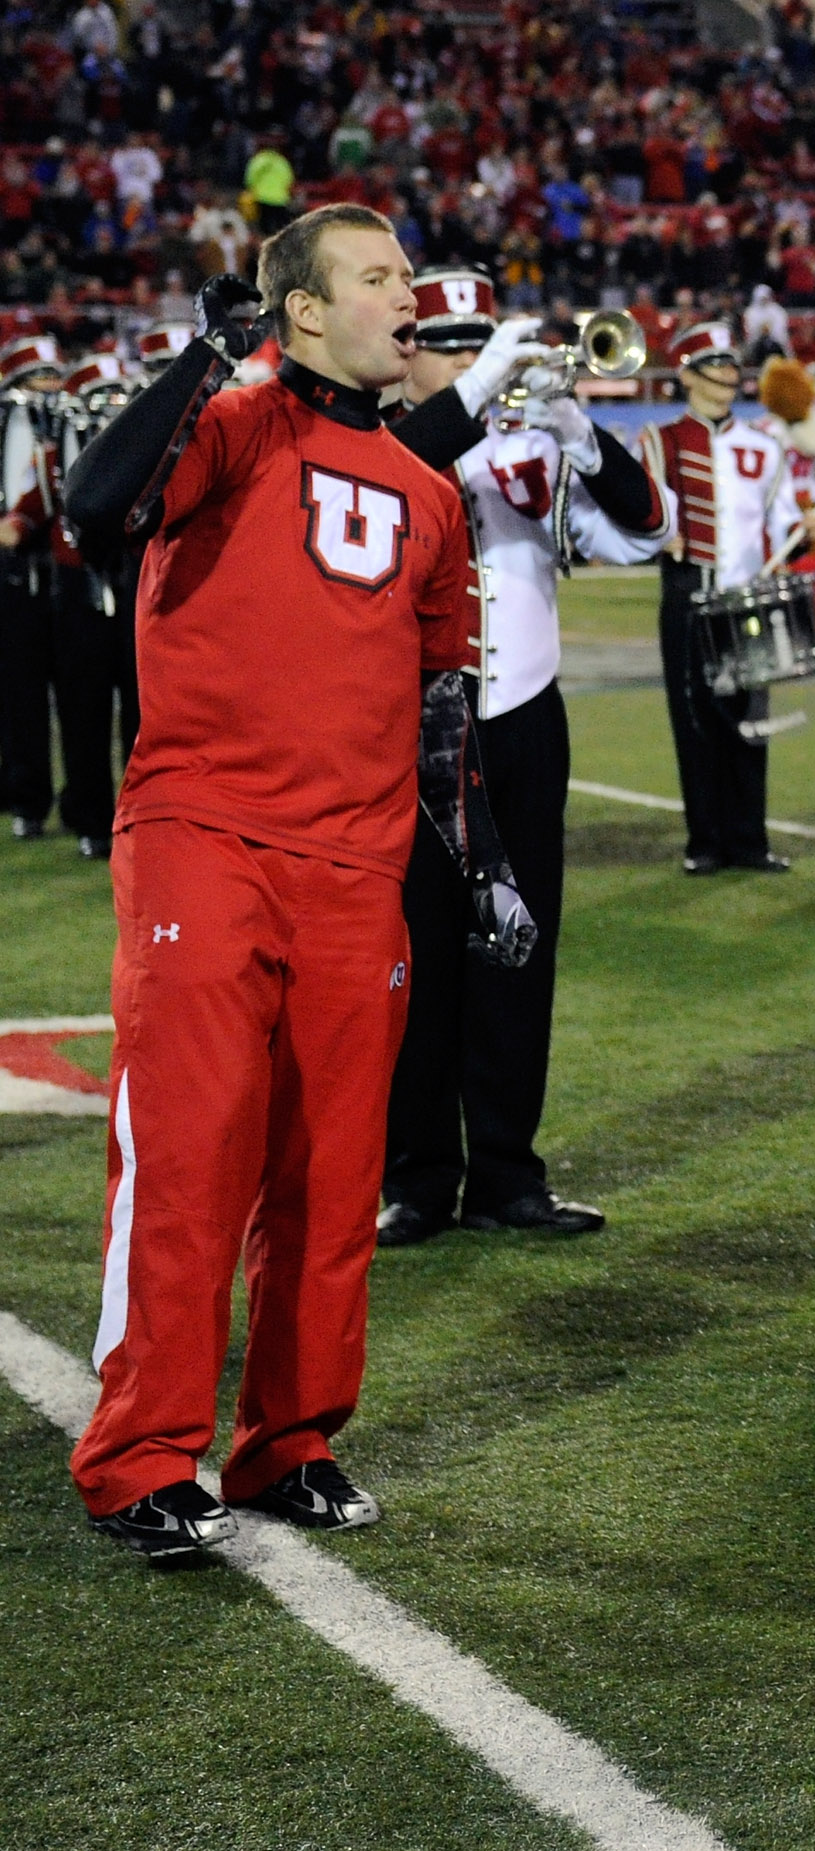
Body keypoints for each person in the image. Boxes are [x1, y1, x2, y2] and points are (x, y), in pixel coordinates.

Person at [60, 205, 535, 1561]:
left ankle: (293, 1439)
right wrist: (207, 358)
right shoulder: (232, 417)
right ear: (307, 309)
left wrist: (481, 862)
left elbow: (443, 700)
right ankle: (140, 1455)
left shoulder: (432, 490)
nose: (410, 294)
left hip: (359, 867)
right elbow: (97, 514)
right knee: (189, 1158)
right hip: (205, 836)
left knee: (331, 1181)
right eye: (380, 277)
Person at [377, 269, 667, 1249]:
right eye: (451, 344)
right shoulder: (374, 438)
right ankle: (416, 1175)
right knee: (413, 952)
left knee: (517, 944)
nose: (473, 361)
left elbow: (648, 532)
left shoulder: (533, 442)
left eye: (480, 343)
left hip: (525, 716)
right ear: (406, 349)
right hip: (410, 727)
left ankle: (506, 1169)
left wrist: (584, 435)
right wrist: (471, 400)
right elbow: (389, 473)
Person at [636, 324, 815, 875]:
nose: (729, 374)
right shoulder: (659, 441)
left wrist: (806, 523)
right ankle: (705, 841)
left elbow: (782, 517)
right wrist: (658, 534)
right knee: (694, 718)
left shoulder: (764, 445)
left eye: (732, 364)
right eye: (714, 364)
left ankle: (750, 840)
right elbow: (641, 519)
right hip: (689, 590)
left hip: (747, 595)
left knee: (749, 719)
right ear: (688, 374)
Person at [48, 351, 143, 859]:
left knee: (140, 709)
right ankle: (90, 816)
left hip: (130, 579)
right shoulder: (65, 429)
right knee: (85, 705)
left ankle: (139, 819)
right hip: (83, 578)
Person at [0, 332, 61, 840]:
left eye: (55, 377)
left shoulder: (69, 423)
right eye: (39, 378)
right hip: (20, 574)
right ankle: (27, 799)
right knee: (21, 693)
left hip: (68, 573)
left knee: (79, 696)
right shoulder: (10, 426)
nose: (49, 388)